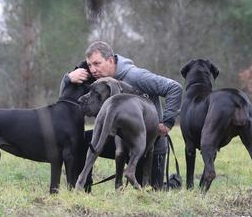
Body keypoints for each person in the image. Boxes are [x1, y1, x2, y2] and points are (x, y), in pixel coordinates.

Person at [60, 40, 182, 190]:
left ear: (110, 60)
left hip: (149, 145)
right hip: (120, 140)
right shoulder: (99, 80)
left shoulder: (136, 76)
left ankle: (173, 183)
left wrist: (167, 123)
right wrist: (68, 79)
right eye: (90, 65)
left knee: (153, 192)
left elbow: (174, 88)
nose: (92, 70)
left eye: (97, 63)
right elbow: (64, 99)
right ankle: (82, 190)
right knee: (81, 140)